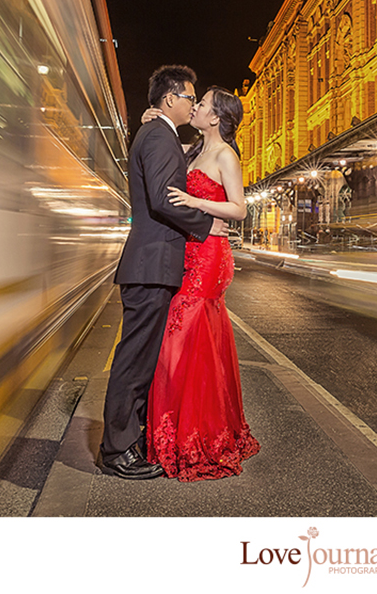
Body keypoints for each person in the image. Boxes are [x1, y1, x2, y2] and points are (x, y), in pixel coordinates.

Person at [97, 65, 222, 480]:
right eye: (191, 97)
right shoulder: (160, 136)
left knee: (143, 360)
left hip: (153, 264)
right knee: (134, 362)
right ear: (171, 99)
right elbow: (165, 200)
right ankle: (117, 450)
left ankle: (129, 441)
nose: (193, 103)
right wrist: (207, 225)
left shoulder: (159, 133)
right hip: (151, 265)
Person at [143, 86, 260, 480]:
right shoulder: (192, 150)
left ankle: (195, 436)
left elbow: (239, 208)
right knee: (188, 343)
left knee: (182, 339)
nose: (195, 106)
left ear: (215, 117)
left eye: (203, 103)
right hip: (189, 252)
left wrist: (197, 203)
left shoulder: (225, 154)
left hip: (210, 255)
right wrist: (151, 118)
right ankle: (173, 433)